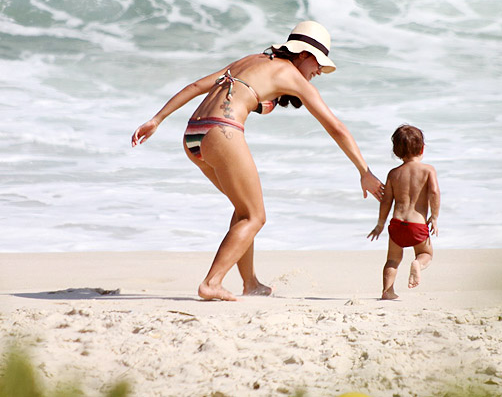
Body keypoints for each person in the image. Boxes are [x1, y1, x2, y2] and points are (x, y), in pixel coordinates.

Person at [131, 21, 384, 301]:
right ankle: (211, 283)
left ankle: (250, 282)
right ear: (303, 54)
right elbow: (336, 127)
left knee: (243, 211)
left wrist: (157, 119)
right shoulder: (291, 75)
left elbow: (196, 86)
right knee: (255, 216)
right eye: (318, 64)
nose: (318, 72)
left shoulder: (250, 60)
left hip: (193, 134)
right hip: (222, 132)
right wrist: (364, 171)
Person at [367, 125, 440, 300]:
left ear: (397, 152)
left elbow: (386, 201)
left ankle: (387, 291)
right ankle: (417, 264)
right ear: (422, 148)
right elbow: (434, 192)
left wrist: (380, 224)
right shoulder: (428, 170)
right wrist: (434, 217)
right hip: (417, 224)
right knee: (426, 254)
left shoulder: (393, 174)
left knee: (392, 260)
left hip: (397, 224)